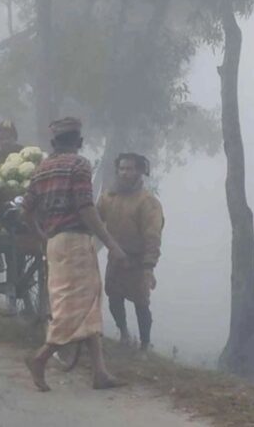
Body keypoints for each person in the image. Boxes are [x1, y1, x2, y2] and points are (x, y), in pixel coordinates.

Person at [21, 117, 128, 392]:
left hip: (55, 242)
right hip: (76, 242)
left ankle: (100, 372)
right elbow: (85, 208)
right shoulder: (79, 165)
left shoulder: (41, 169)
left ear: (54, 142)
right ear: (79, 142)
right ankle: (40, 357)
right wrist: (111, 242)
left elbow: (27, 208)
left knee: (89, 303)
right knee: (74, 307)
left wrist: (40, 234)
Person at [98, 153, 164, 351]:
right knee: (114, 297)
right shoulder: (109, 197)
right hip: (116, 258)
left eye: (130, 169)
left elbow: (153, 236)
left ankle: (145, 344)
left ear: (139, 171)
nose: (126, 173)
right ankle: (124, 334)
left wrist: (148, 267)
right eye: (122, 169)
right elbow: (95, 219)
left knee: (141, 303)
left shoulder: (148, 202)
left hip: (138, 260)